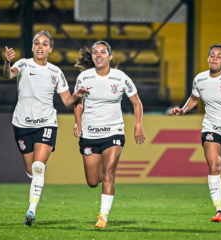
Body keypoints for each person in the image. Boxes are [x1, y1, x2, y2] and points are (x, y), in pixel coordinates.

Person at [3, 30, 89, 227]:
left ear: (50, 49)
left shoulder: (55, 72)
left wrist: (77, 95)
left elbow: (67, 101)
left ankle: (31, 211)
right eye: (37, 43)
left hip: (46, 123)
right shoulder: (23, 64)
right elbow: (8, 74)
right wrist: (7, 62)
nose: (40, 46)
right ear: (33, 47)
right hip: (22, 125)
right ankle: (36, 181)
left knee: (38, 166)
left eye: (44, 44)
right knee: (31, 170)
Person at [170, 44, 221, 222]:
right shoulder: (200, 79)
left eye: (219, 56)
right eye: (212, 55)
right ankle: (219, 211)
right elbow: (194, 98)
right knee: (214, 166)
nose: (214, 58)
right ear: (208, 58)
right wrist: (182, 110)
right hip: (211, 129)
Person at [73, 41, 146, 228]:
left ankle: (103, 217)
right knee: (92, 181)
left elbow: (137, 103)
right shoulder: (84, 77)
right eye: (96, 52)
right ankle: (101, 182)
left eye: (103, 52)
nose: (99, 55)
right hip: (89, 134)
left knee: (108, 174)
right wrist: (78, 122)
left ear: (110, 56)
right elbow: (78, 102)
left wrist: (138, 125)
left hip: (114, 133)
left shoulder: (121, 77)